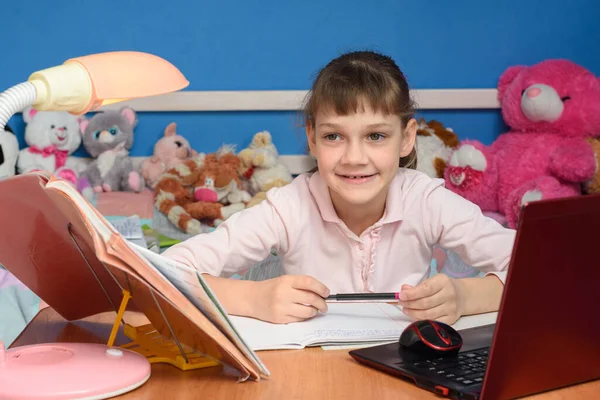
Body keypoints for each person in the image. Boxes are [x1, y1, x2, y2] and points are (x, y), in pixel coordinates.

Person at [162, 50, 516, 325]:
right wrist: (251, 299)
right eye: (334, 136)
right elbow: (164, 272)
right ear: (312, 139)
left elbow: (538, 267)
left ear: (407, 139)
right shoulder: (289, 206)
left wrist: (465, 296)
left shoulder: (426, 200)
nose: (354, 157)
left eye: (376, 136)